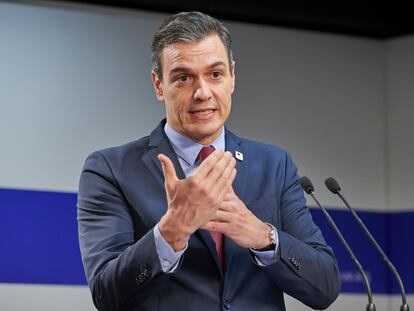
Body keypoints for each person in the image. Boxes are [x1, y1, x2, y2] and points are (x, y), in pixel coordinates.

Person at [77, 11, 341, 311]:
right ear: (159, 85)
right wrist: (172, 231)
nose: (202, 93)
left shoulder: (274, 165)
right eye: (183, 77)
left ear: (232, 78)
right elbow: (107, 295)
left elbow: (325, 287)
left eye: (215, 74)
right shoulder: (111, 170)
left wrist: (261, 235)